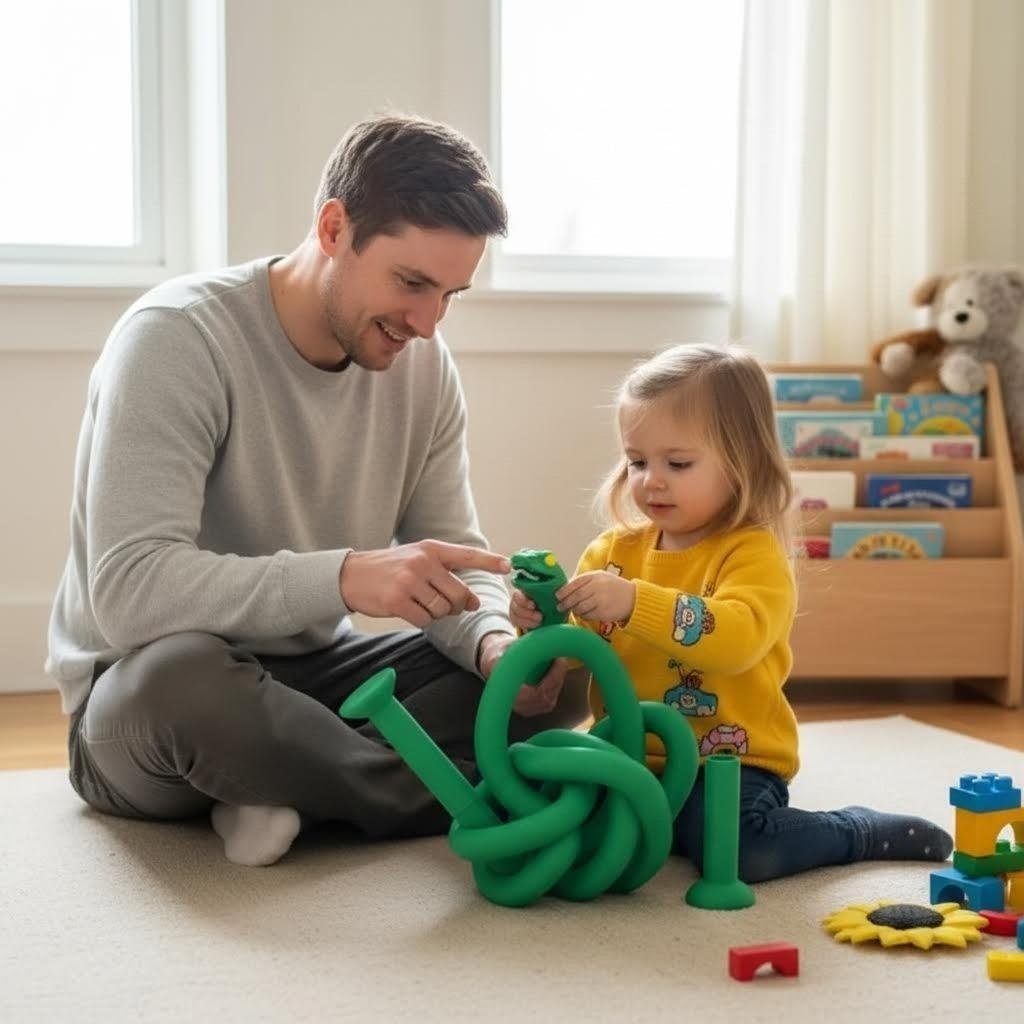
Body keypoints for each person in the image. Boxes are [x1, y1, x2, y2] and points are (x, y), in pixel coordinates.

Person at [47, 113, 572, 867]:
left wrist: (494, 643)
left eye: (450, 295)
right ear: (333, 229)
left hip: (314, 682)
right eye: (412, 283)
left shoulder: (424, 369)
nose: (427, 324)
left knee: (559, 673)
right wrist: (346, 578)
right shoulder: (176, 337)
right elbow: (130, 594)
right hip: (149, 694)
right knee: (186, 687)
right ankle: (470, 798)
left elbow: (457, 559)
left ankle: (285, 785)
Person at [509, 342, 953, 883]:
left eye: (678, 463)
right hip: (629, 757)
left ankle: (852, 830)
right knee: (549, 810)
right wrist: (542, 623)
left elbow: (736, 640)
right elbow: (580, 651)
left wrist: (634, 602)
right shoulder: (611, 552)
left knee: (742, 851)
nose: (651, 479)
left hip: (727, 762)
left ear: (742, 463)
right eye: (637, 461)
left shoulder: (752, 553)